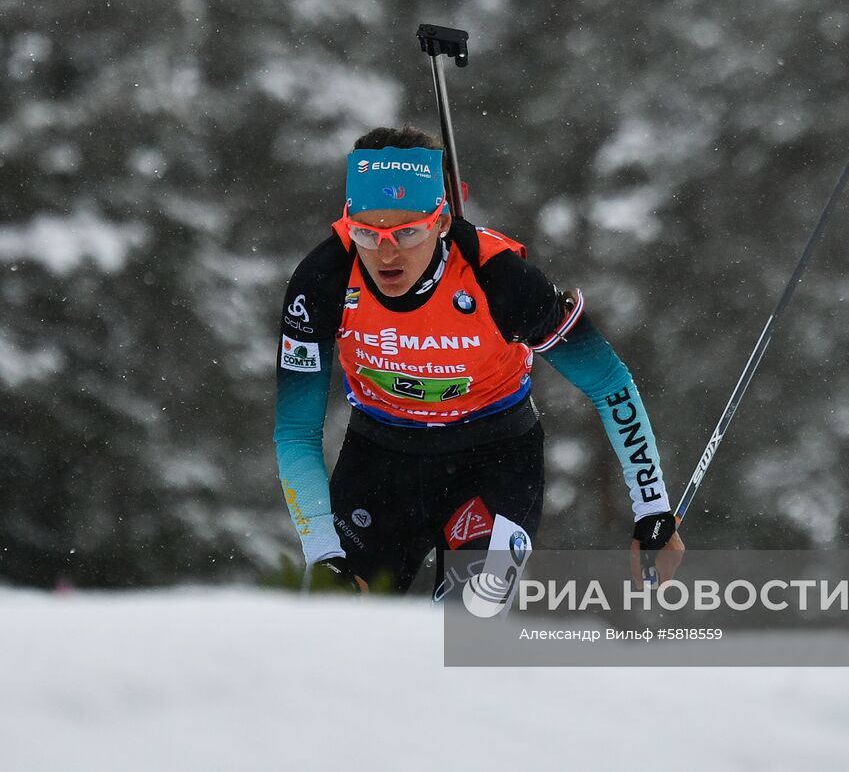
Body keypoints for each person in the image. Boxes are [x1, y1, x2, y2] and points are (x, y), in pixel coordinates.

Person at [274, 126, 683, 599]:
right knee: (335, 617)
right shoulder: (321, 283)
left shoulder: (501, 280)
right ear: (348, 222)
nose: (386, 252)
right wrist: (324, 553)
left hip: (493, 459)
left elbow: (608, 382)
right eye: (367, 232)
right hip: (379, 460)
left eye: (407, 231)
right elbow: (296, 432)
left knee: (471, 624)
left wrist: (652, 509)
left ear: (441, 221)